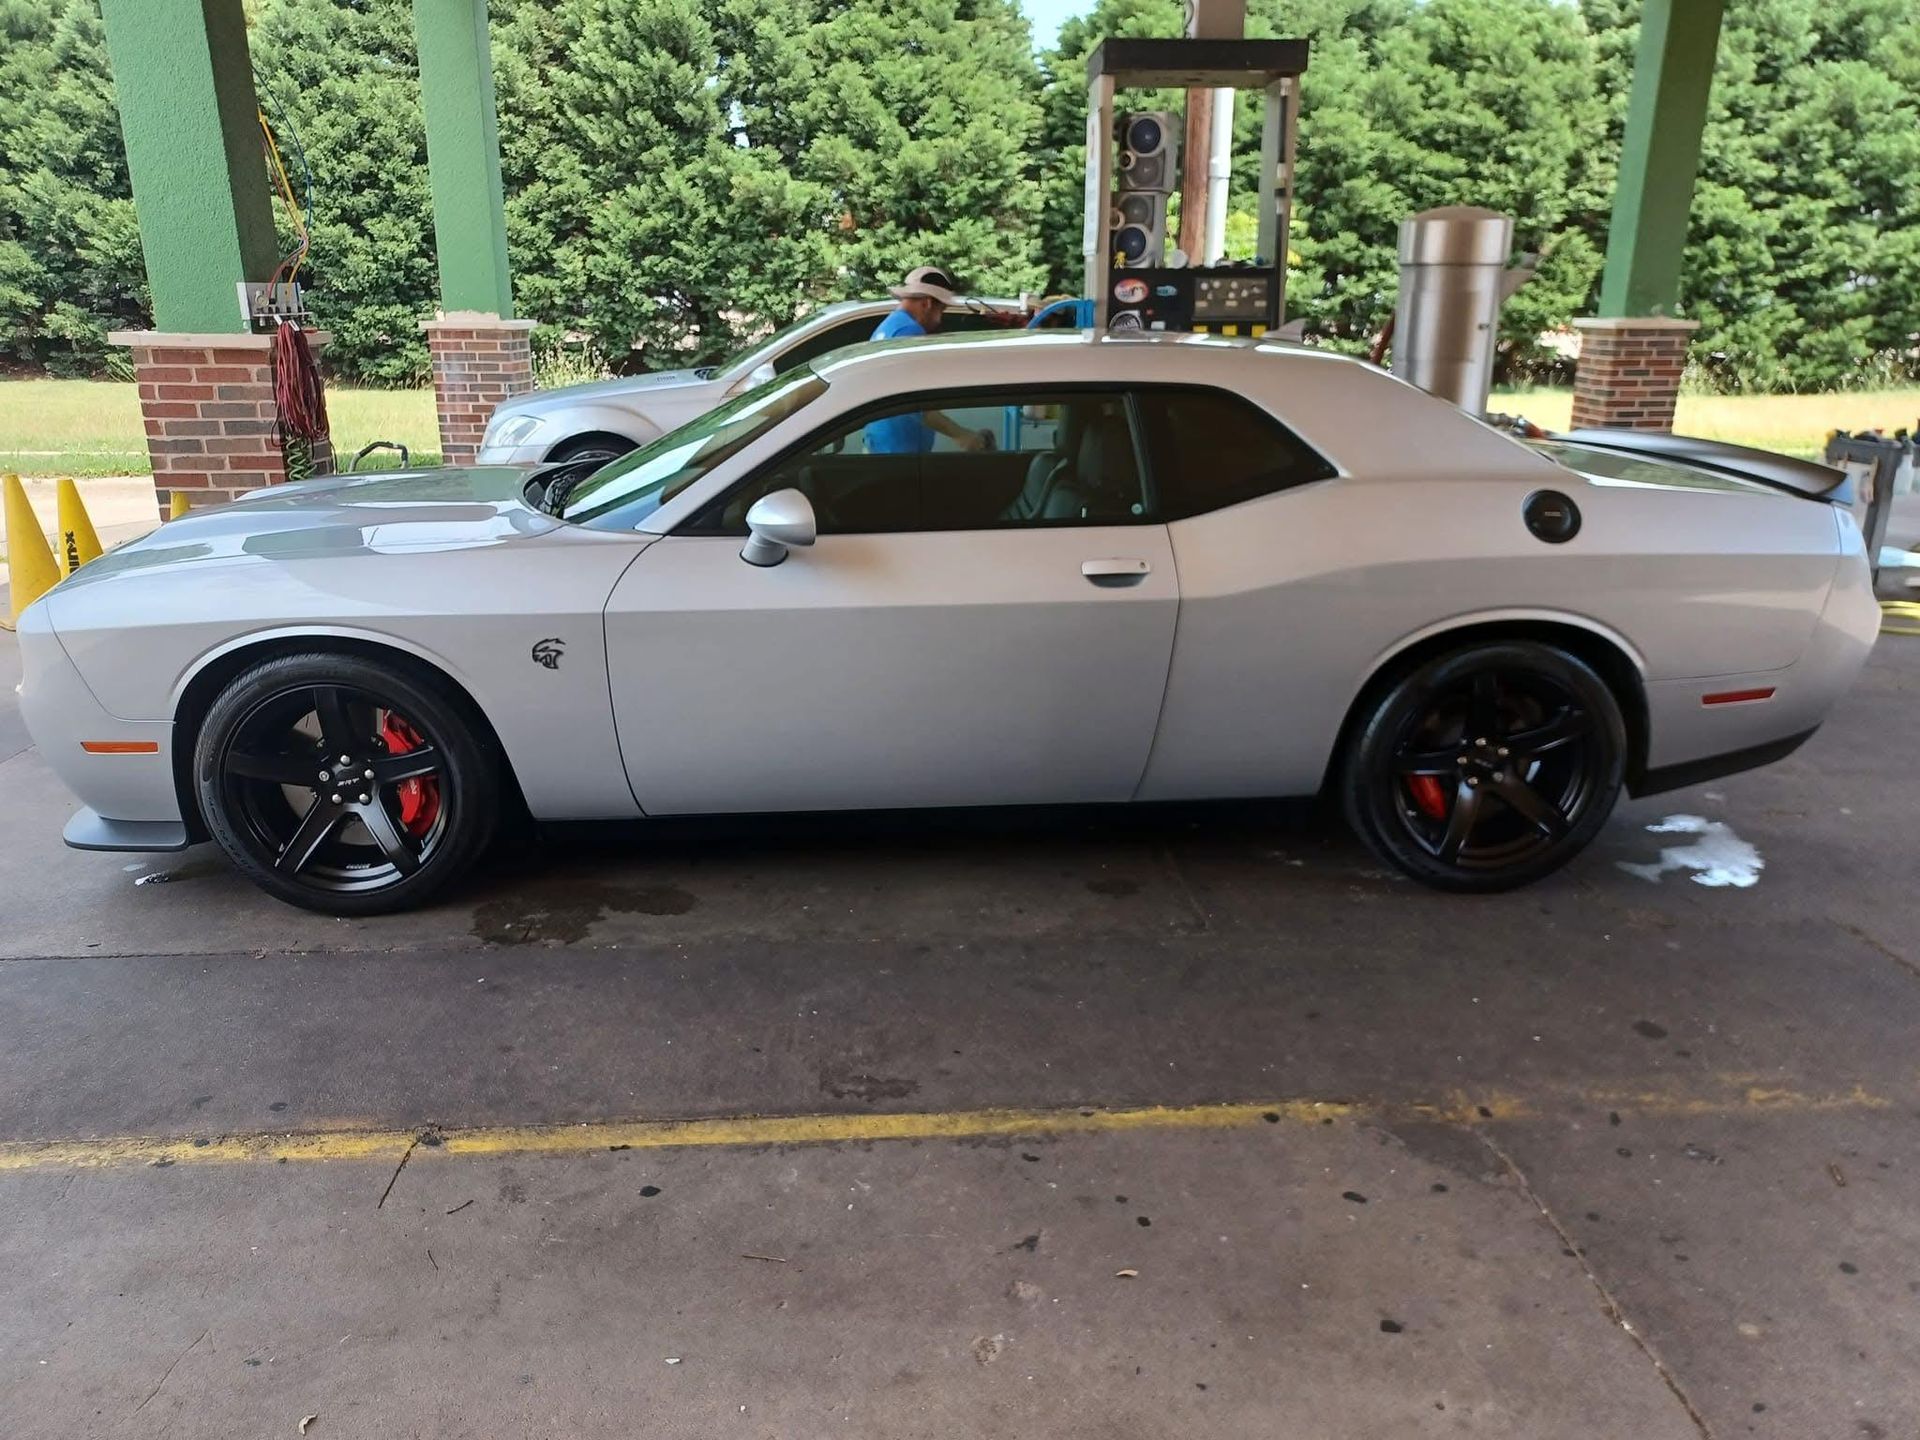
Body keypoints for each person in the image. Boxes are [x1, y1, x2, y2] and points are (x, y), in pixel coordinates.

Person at [865, 267, 992, 455]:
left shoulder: (891, 327)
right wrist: (961, 436)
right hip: (898, 451)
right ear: (927, 303)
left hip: (884, 442)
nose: (940, 320)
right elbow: (915, 404)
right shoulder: (908, 333)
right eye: (942, 309)